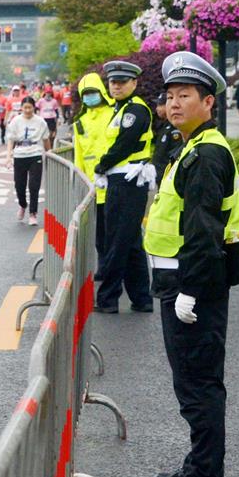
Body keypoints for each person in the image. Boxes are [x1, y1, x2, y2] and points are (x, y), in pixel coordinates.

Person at [144, 51, 239, 477]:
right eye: (170, 96)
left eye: (185, 95)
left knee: (198, 386)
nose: (175, 103)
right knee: (192, 382)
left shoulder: (205, 155)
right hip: (181, 281)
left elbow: (203, 229)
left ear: (209, 102)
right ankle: (199, 464)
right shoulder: (190, 146)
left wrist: (190, 290)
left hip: (193, 287)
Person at [92, 60, 155, 314]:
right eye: (113, 82)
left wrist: (101, 165)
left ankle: (108, 298)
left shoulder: (134, 111)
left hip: (126, 181)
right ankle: (142, 298)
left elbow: (124, 145)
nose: (116, 86)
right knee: (129, 241)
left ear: (134, 83)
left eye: (122, 82)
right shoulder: (122, 109)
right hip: (124, 180)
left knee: (116, 240)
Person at [72, 72, 115, 278]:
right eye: (86, 93)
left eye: (93, 92)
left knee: (116, 233)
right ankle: (105, 267)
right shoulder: (79, 122)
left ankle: (114, 270)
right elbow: (79, 157)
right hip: (93, 187)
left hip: (115, 183)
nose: (90, 96)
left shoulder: (115, 113)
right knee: (100, 234)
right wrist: (80, 184)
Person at [5, 96, 49, 226]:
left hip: (35, 154)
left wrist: (50, 153)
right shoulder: (15, 121)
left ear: (34, 107)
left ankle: (33, 213)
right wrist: (8, 156)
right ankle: (23, 205)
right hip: (19, 155)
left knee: (34, 186)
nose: (28, 110)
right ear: (21, 108)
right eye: (25, 108)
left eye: (30, 107)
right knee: (19, 186)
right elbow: (11, 140)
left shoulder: (40, 122)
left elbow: (46, 139)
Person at [151, 92, 183, 190]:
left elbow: (174, 153)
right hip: (160, 175)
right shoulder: (165, 126)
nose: (157, 109)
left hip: (168, 177)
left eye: (160, 105)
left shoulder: (175, 128)